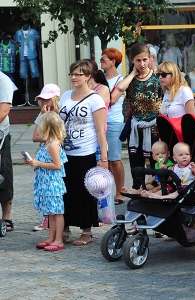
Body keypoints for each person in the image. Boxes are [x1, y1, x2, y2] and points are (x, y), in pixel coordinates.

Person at [59, 60, 108, 246]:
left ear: (88, 76)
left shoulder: (95, 99)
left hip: (85, 152)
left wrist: (103, 158)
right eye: (72, 74)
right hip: (65, 152)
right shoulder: (65, 96)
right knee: (65, 191)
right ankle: (64, 227)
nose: (73, 77)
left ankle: (86, 230)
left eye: (78, 74)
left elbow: (99, 130)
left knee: (82, 192)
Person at [116, 43, 162, 189]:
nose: (142, 64)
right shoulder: (131, 80)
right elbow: (120, 88)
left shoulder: (157, 78)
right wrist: (132, 74)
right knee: (136, 164)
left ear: (150, 59)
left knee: (157, 163)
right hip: (136, 129)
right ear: (132, 61)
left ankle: (156, 193)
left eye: (144, 60)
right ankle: (137, 192)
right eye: (138, 60)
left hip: (155, 129)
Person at [26, 112, 68, 252]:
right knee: (51, 212)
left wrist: (38, 163)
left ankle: (59, 239)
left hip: (52, 184)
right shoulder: (46, 143)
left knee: (57, 212)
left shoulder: (53, 145)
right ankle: (51, 237)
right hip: (46, 183)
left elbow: (57, 165)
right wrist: (35, 163)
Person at [32, 83, 61, 231]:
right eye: (42, 99)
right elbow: (35, 137)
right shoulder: (43, 113)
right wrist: (43, 116)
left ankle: (55, 223)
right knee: (44, 190)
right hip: (44, 153)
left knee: (54, 193)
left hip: (55, 154)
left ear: (56, 98)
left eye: (47, 99)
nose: (44, 102)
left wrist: (47, 136)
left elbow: (59, 136)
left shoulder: (60, 113)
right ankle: (47, 217)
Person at [100, 47, 126, 205]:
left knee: (115, 159)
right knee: (104, 159)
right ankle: (106, 191)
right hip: (99, 122)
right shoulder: (98, 78)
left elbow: (112, 99)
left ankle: (120, 191)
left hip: (114, 122)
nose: (101, 61)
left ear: (113, 61)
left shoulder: (120, 80)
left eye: (103, 59)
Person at [0, 71, 14, 232]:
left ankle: (7, 218)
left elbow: (3, 111)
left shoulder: (3, 81)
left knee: (3, 175)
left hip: (0, 137)